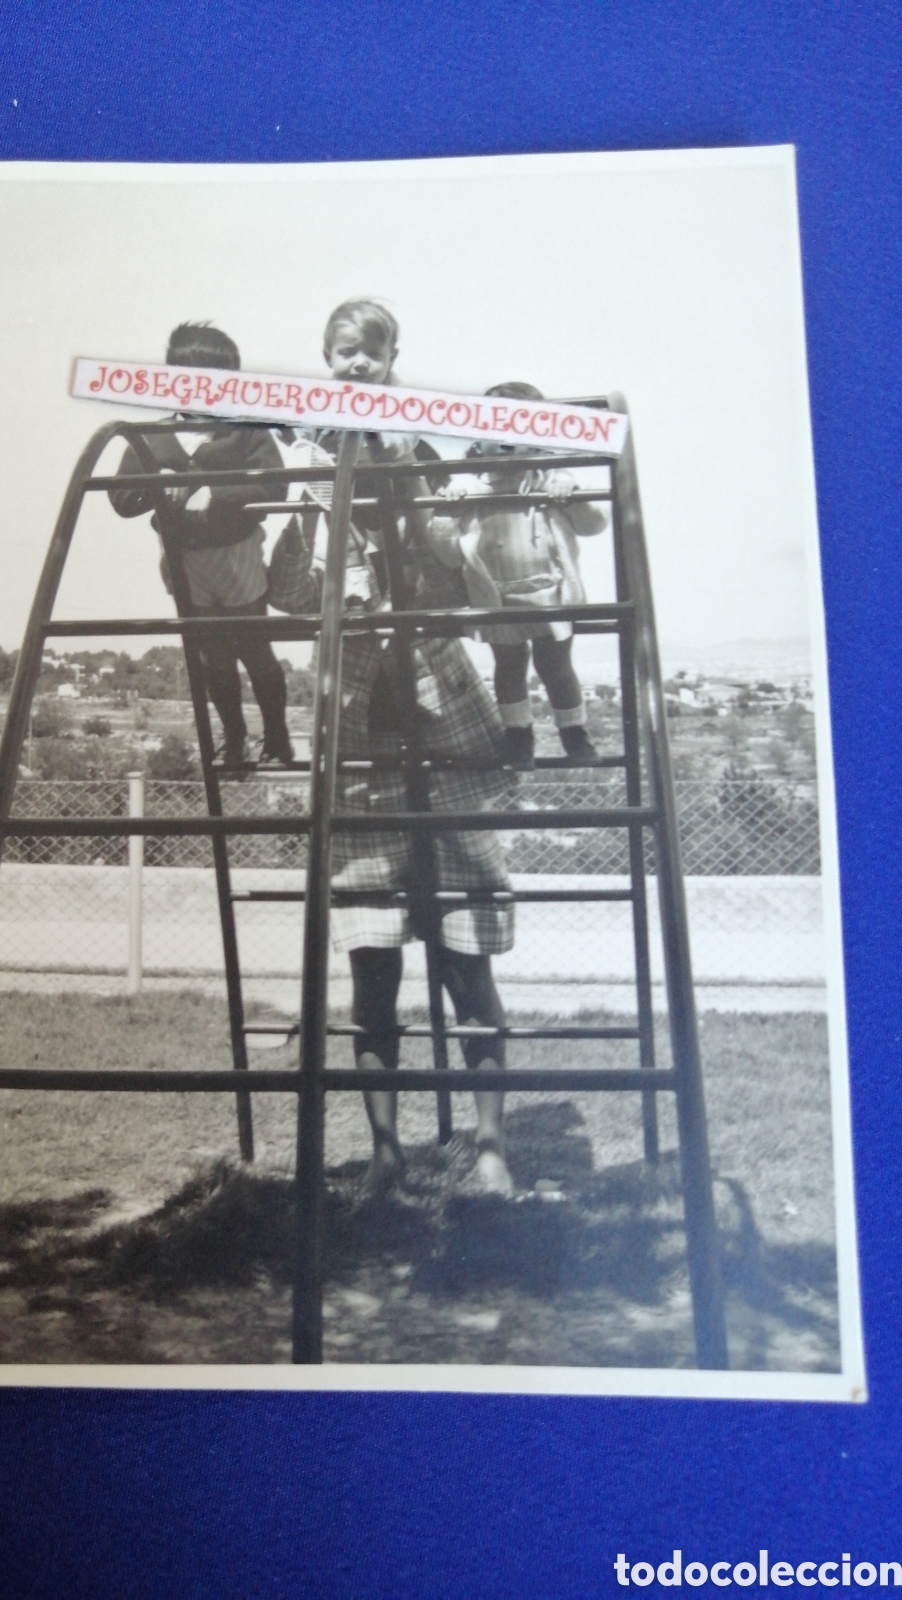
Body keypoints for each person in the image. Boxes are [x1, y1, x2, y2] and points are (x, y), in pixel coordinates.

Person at [268, 299, 516, 1198]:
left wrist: (386, 448)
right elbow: (290, 592)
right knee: (372, 962)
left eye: (367, 356)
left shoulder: (411, 440)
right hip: (361, 720)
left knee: (463, 953)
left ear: (394, 359)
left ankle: (490, 1149)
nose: (351, 369)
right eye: (339, 355)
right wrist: (300, 497)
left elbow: (437, 546)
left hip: (435, 712)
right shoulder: (312, 459)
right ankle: (385, 1150)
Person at [107, 321, 294, 769]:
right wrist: (156, 485)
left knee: (253, 646)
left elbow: (276, 487)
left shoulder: (247, 433)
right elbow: (120, 497)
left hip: (236, 552)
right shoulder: (151, 436)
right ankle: (234, 738)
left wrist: (221, 495)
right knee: (212, 652)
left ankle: (277, 734)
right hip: (183, 557)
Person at [424, 381, 608, 769]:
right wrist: (448, 512)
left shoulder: (549, 481)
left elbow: (594, 525)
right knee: (508, 666)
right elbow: (447, 552)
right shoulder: (468, 486)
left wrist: (572, 489)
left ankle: (574, 734)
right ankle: (518, 738)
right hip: (497, 596)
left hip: (549, 591)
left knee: (556, 666)